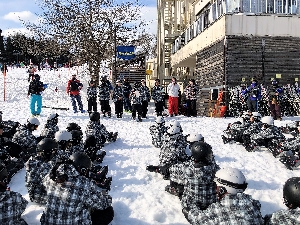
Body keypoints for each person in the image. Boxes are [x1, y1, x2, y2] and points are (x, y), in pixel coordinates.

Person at [40, 152, 114, 225]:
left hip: (48, 222)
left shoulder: (51, 176)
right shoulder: (83, 184)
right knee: (108, 211)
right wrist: (107, 197)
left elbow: (44, 184)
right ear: (83, 170)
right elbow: (102, 204)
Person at [183, 167, 264, 224]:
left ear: (222, 190)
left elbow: (199, 220)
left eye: (217, 187)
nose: (215, 189)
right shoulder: (253, 205)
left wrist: (188, 211)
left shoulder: (218, 209)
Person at [167, 141, 220, 211]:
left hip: (192, 205)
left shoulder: (188, 169)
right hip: (211, 203)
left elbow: (172, 169)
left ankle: (175, 190)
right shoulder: (215, 169)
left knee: (177, 177)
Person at [25, 138, 58, 204]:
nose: (55, 153)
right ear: (47, 152)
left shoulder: (35, 160)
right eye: (53, 151)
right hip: (39, 195)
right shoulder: (41, 165)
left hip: (35, 192)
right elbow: (51, 180)